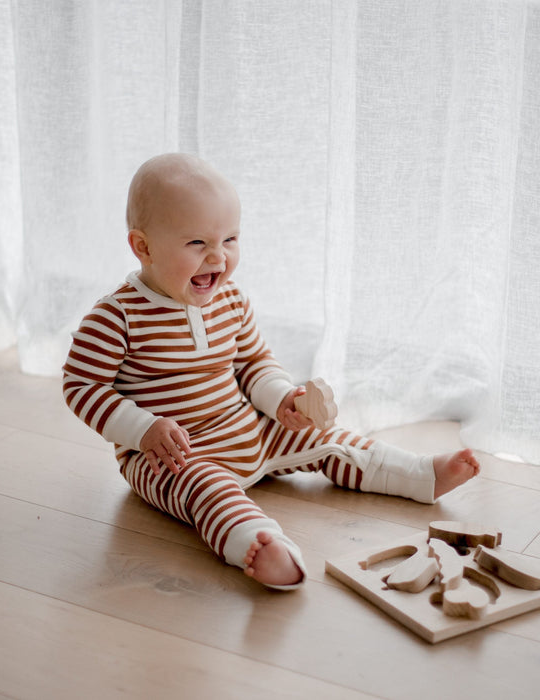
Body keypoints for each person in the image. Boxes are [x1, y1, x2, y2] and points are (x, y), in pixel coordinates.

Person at [62, 153, 480, 590]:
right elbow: (81, 386)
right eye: (197, 243)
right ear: (143, 247)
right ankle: (258, 544)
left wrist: (281, 399)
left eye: (230, 239)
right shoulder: (118, 316)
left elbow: (253, 362)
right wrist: (143, 429)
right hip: (173, 457)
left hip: (251, 430)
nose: (218, 257)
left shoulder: (231, 300)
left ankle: (418, 474)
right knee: (207, 491)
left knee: (329, 439)